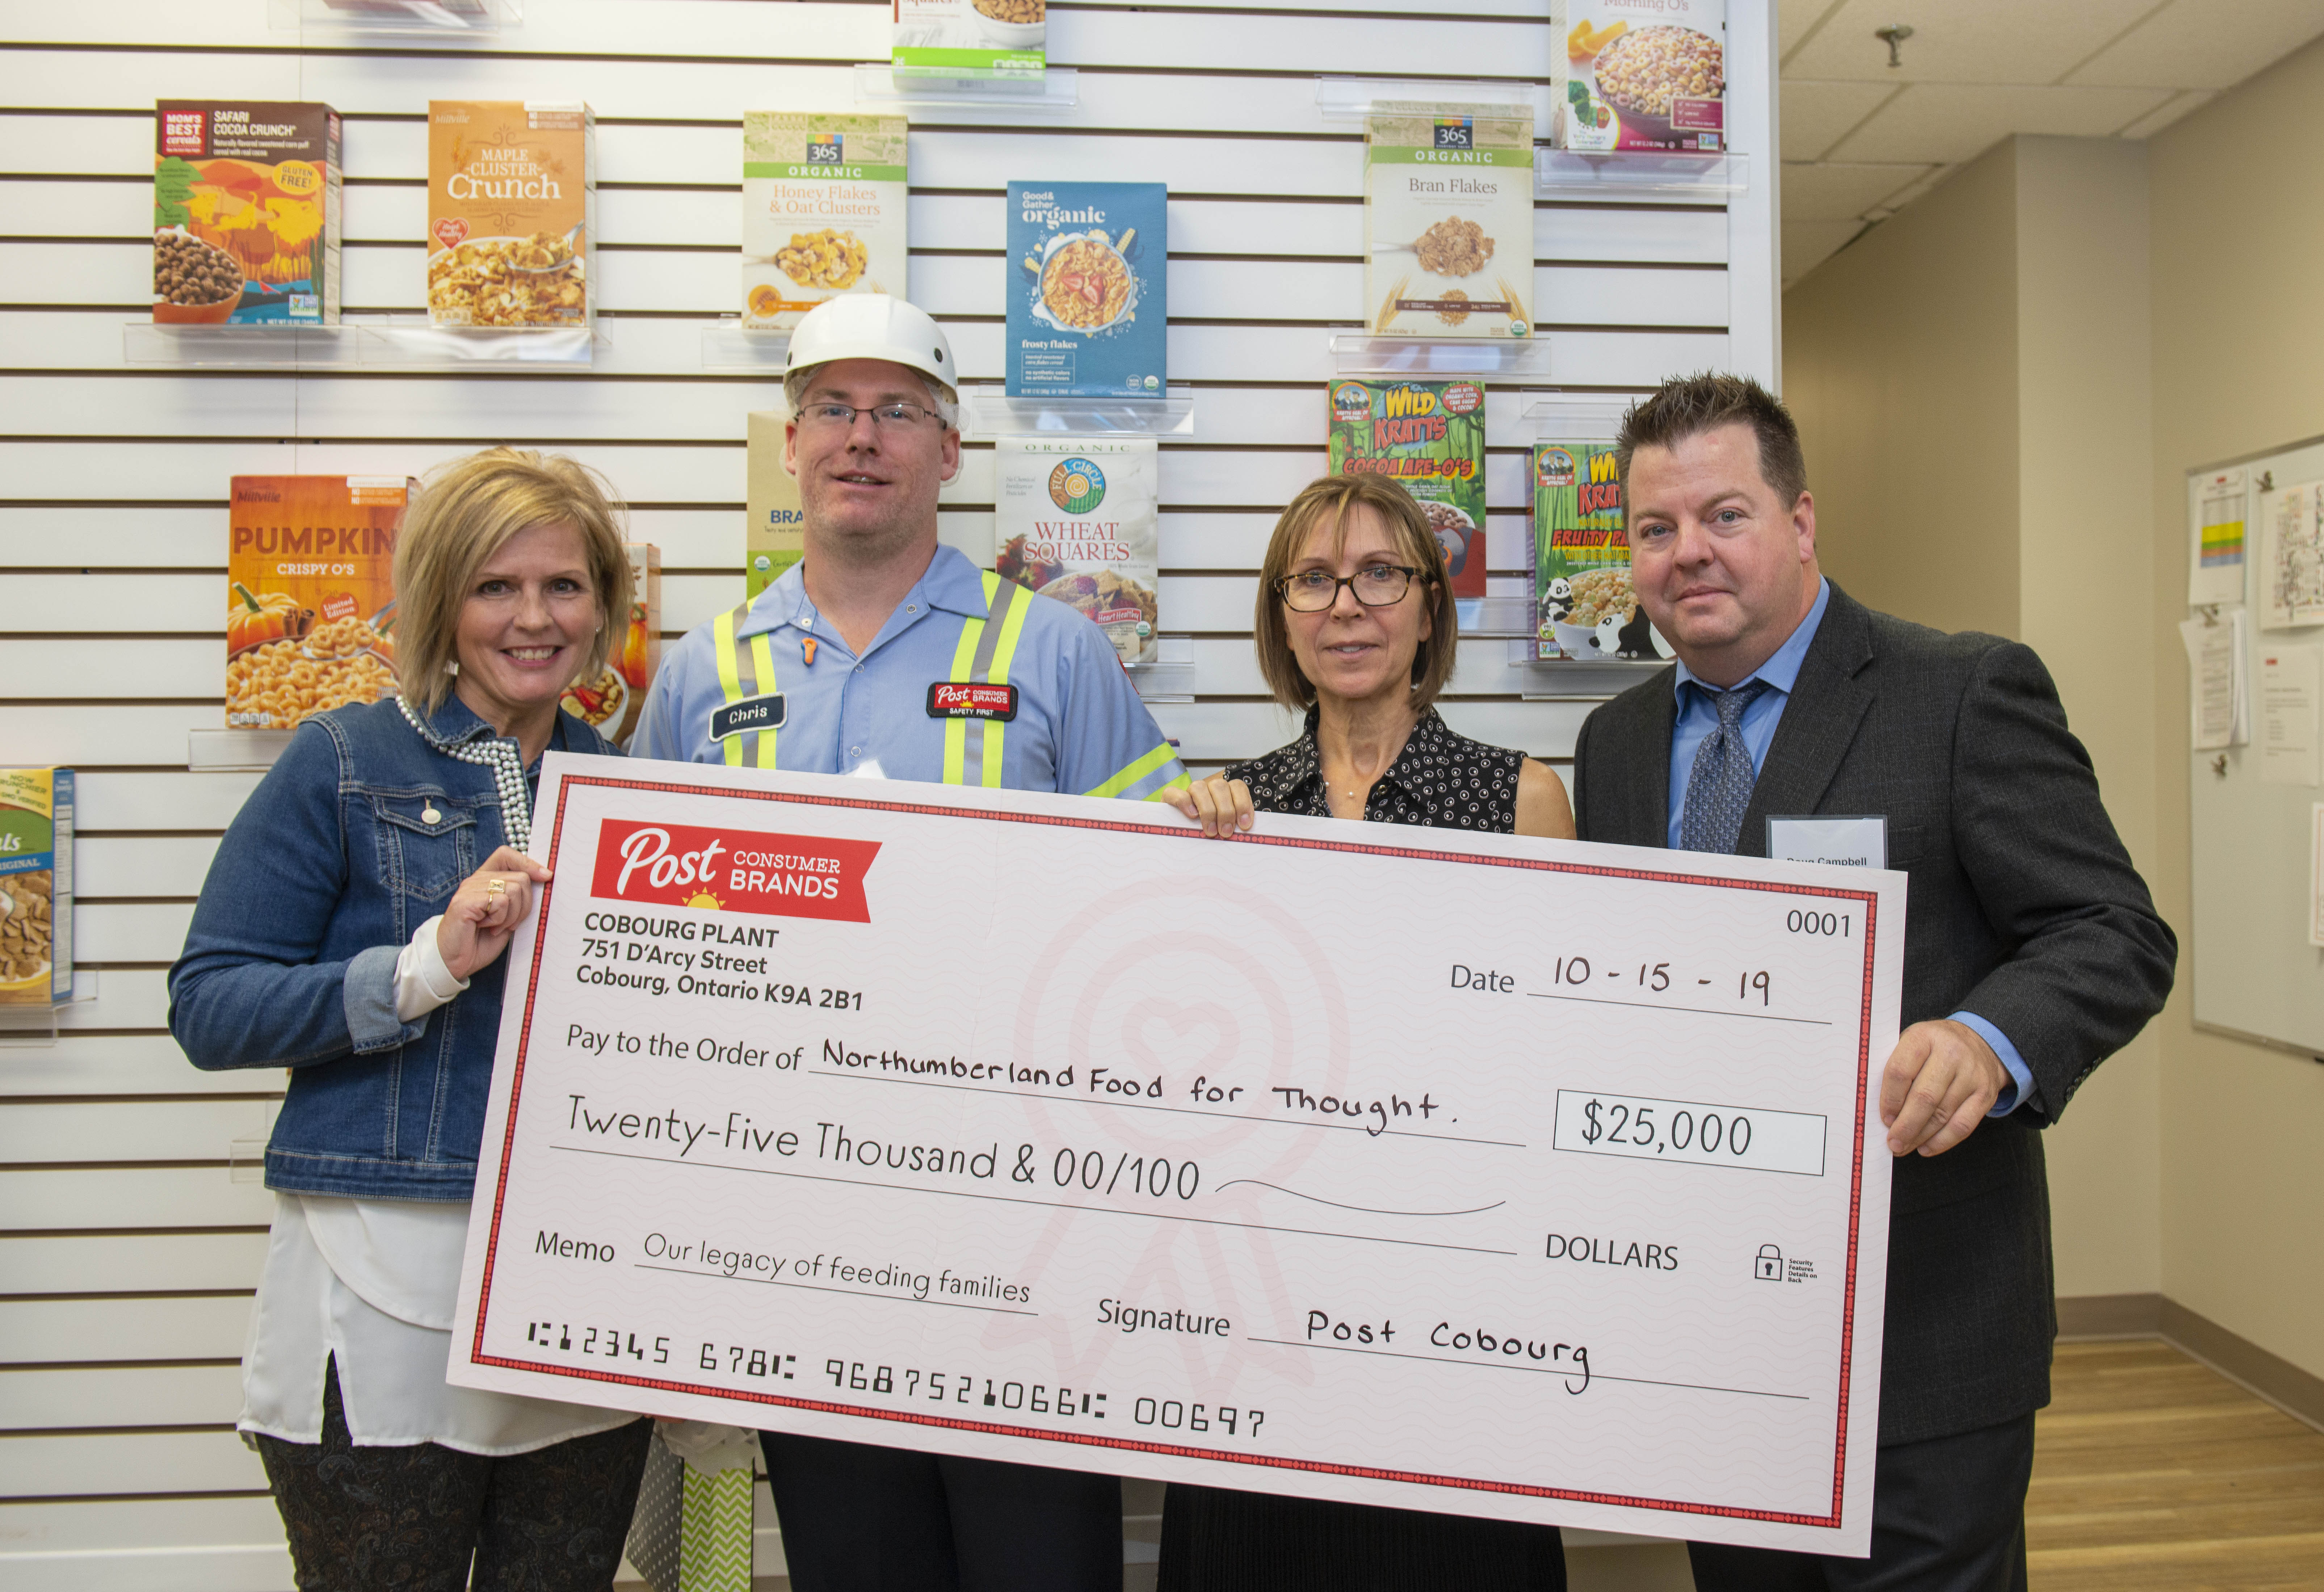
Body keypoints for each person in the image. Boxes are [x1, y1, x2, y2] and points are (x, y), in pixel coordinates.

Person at [1568, 374, 2176, 1591]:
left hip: (1923, 1326)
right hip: (1712, 1337)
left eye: (1725, 516)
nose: (1689, 553)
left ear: (1799, 523)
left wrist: (1985, 1040)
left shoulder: (1958, 692)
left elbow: (2112, 929)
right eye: (1655, 528)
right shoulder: (1616, 745)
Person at [631, 293, 1190, 1592]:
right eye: (833, 407)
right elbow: (636, 947)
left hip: (1026, 1237)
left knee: (1039, 1564)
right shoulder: (704, 671)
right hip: (799, 1227)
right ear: (789, 442)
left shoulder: (1054, 651)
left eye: (899, 411)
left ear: (949, 451)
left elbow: (1151, 929)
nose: (862, 437)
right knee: (856, 1561)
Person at [170, 449, 648, 1588]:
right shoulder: (339, 757)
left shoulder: (633, 788)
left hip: (568, 1275)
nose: (534, 619)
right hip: (380, 1277)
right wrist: (423, 965)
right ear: (440, 600)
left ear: (603, 609)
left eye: (564, 587)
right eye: (496, 587)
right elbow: (210, 1005)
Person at [1157, 472, 1573, 1592]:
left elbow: (1540, 1065)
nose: (1346, 605)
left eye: (1379, 574)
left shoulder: (1520, 799)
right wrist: (1162, 859)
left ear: (1428, 607)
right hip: (1256, 1305)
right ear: (1280, 619)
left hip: (1448, 1299)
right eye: (1313, 580)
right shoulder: (1225, 811)